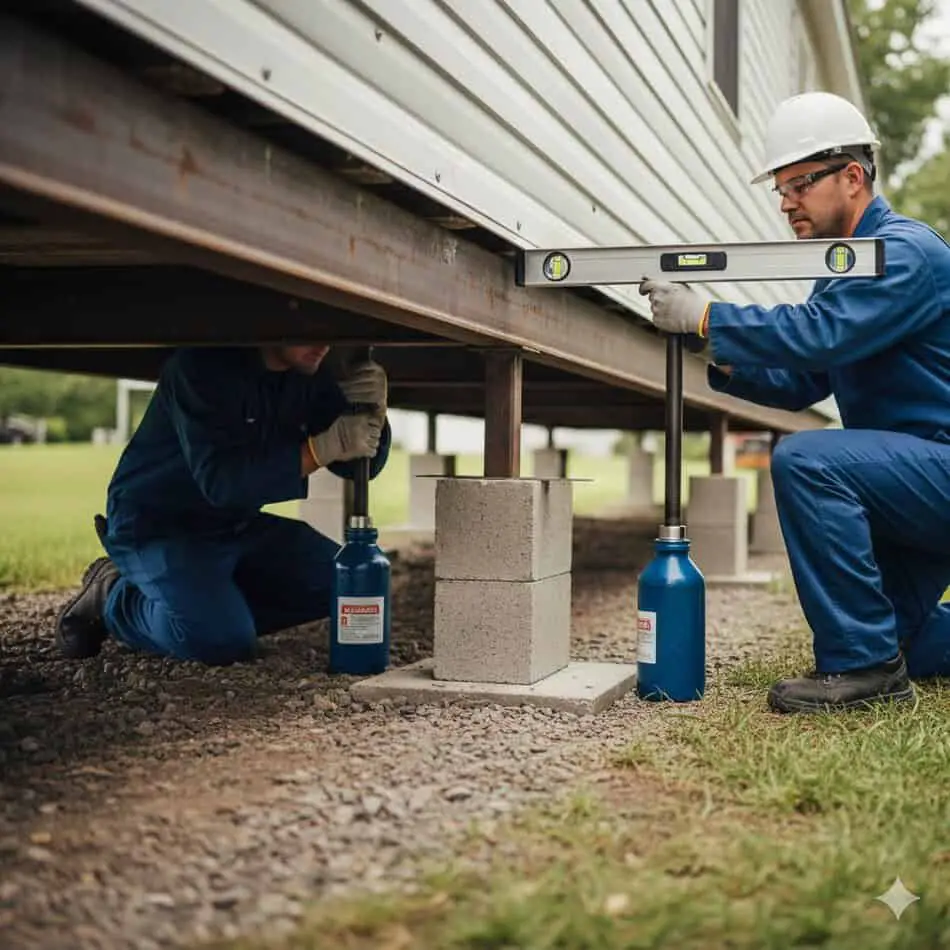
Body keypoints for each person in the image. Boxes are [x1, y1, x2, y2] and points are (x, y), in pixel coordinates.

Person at [638, 91, 950, 714]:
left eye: (799, 185)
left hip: (935, 473)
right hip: (911, 482)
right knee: (908, 640)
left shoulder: (904, 254)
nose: (785, 203)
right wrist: (719, 353)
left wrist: (706, 316)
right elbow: (806, 378)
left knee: (807, 460)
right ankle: (884, 652)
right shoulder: (848, 269)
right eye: (780, 189)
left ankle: (864, 668)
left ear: (853, 177)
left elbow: (818, 332)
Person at [55, 344, 391, 666]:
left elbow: (357, 465)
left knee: (345, 585)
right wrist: (319, 450)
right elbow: (222, 483)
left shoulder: (308, 373)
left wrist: (373, 414)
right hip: (158, 526)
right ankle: (115, 596)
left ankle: (208, 607)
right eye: (310, 330)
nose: (323, 345)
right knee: (222, 642)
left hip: (233, 524)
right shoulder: (200, 369)